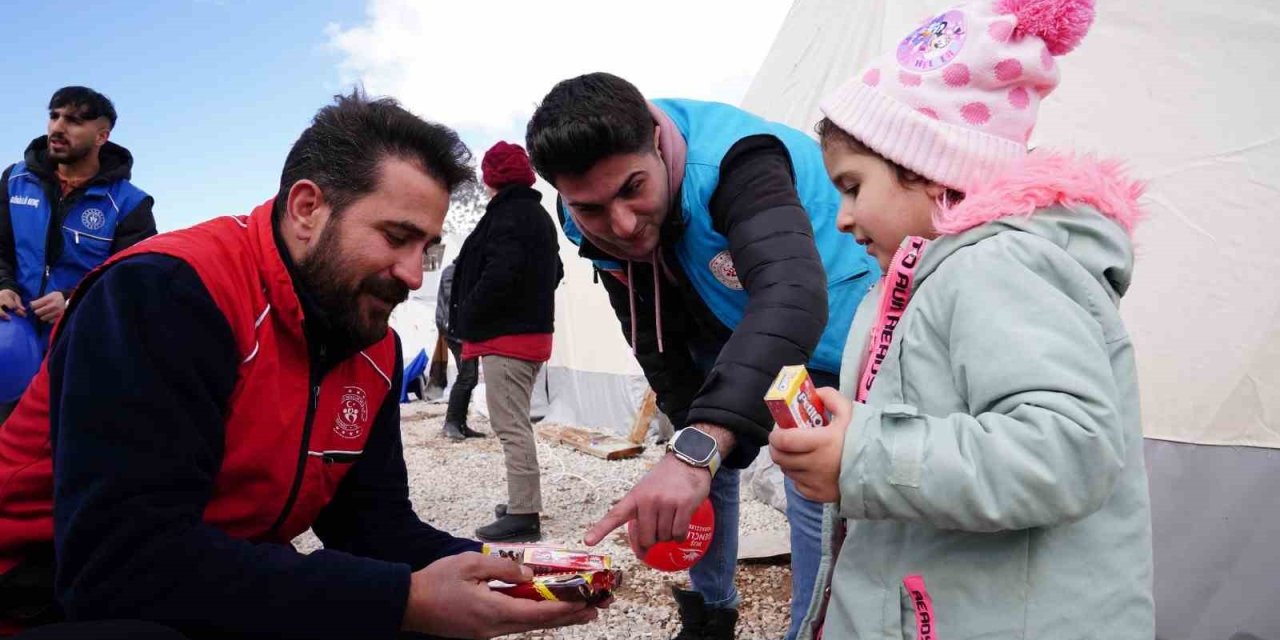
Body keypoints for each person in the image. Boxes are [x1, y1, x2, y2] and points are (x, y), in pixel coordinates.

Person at [0, 92, 599, 639]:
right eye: (396, 237)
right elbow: (117, 568)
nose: (415, 275)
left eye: (428, 249)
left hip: (195, 572)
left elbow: (372, 527)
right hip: (38, 591)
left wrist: (500, 571)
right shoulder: (168, 293)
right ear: (308, 208)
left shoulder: (372, 343)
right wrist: (405, 599)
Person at [769, 1, 1155, 638]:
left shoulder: (1000, 267)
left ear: (931, 170)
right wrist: (852, 436)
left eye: (852, 185)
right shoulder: (927, 279)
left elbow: (1066, 447)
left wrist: (864, 454)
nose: (840, 218)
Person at [526, 72, 879, 639]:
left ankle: (810, 627)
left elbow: (791, 296)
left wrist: (696, 450)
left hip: (826, 323)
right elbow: (646, 325)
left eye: (633, 188)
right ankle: (714, 610)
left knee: (808, 477)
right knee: (700, 459)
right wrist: (691, 429)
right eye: (591, 208)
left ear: (658, 146)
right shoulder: (582, 224)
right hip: (725, 322)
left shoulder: (739, 162)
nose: (621, 225)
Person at [0, 86, 156, 421]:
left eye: (73, 121)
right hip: (9, 346)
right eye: (54, 116)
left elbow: (134, 279)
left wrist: (73, 302)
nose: (57, 127)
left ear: (101, 135)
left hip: (79, 353)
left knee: (58, 458)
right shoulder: (14, 180)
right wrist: (3, 285)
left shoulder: (130, 204)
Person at [450, 142, 563, 543]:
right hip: (526, 335)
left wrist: (469, 314)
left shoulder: (508, 215)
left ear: (490, 177)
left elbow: (500, 273)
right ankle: (521, 500)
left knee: (510, 425)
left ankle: (523, 514)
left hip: (508, 338)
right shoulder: (537, 215)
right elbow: (555, 272)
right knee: (514, 421)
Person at [434, 260, 484, 440]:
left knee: (470, 377)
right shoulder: (452, 272)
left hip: (463, 331)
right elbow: (455, 297)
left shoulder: (463, 271)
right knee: (467, 376)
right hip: (455, 332)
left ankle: (460, 423)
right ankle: (451, 423)